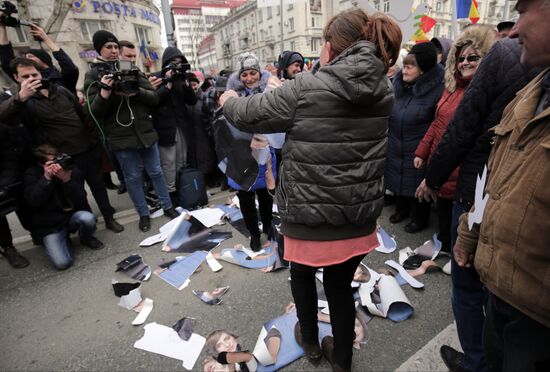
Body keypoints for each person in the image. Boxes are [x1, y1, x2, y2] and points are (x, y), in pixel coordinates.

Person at [220, 9, 402, 371]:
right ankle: (343, 359)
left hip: (309, 212)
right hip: (356, 214)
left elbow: (250, 113)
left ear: (331, 46)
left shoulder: (308, 86)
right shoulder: (384, 88)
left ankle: (313, 345)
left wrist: (227, 101)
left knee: (301, 274)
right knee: (339, 285)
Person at [415, 31, 540, 372]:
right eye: (462, 57)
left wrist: (433, 178)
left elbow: (462, 132)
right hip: (479, 192)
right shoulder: (458, 86)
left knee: (473, 287)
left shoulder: (504, 60)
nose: (516, 28)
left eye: (474, 57)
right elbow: (443, 127)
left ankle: (477, 363)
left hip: (479, 193)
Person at [454, 0, 550, 370]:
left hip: (538, 318)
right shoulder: (532, 92)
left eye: (525, 10)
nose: (514, 28)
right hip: (502, 293)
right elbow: (498, 178)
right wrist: (469, 231)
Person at [0, 57, 124, 234]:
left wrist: (94, 142)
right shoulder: (22, 102)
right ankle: (88, 230)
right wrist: (21, 97)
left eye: (34, 74)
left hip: (87, 150)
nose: (32, 79)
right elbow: (4, 117)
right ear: (16, 78)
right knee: (77, 194)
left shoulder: (62, 92)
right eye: (25, 76)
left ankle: (109, 217)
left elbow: (83, 116)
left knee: (98, 187)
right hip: (64, 158)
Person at [84, 31, 179, 232]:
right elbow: (94, 111)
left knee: (156, 172)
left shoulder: (131, 68)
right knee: (133, 178)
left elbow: (153, 98)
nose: (113, 51)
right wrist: (105, 92)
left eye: (115, 47)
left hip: (145, 132)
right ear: (99, 49)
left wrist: (136, 92)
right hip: (121, 138)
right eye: (108, 47)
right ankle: (144, 214)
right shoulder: (93, 74)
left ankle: (168, 207)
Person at [414, 26, 495, 253]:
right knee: (444, 213)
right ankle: (446, 246)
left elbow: (466, 140)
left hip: (460, 171)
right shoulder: (451, 89)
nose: (465, 63)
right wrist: (422, 151)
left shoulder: (482, 95)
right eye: (461, 58)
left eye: (473, 58)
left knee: (459, 221)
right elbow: (437, 123)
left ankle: (454, 252)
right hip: (442, 165)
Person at [385, 42, 445, 233]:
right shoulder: (398, 85)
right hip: (397, 140)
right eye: (405, 65)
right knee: (398, 175)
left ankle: (419, 218)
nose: (404, 70)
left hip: (419, 144)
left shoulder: (437, 89)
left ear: (423, 70)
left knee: (417, 180)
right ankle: (401, 209)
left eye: (410, 66)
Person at [224, 52, 276, 251]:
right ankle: (254, 233)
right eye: (244, 75)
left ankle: (268, 225)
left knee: (265, 194)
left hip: (263, 152)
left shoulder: (269, 92)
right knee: (245, 198)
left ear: (259, 73)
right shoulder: (231, 96)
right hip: (240, 155)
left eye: (253, 73)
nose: (249, 78)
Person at [24, 144, 104, 270]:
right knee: (63, 263)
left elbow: (81, 199)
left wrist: (67, 180)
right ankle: (62, 240)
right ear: (41, 164)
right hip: (51, 225)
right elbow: (34, 202)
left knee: (88, 218)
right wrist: (46, 179)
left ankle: (86, 238)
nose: (58, 164)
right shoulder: (32, 174)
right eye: (52, 162)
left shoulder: (69, 168)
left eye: (57, 159)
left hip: (71, 216)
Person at [149, 47, 197, 206]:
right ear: (165, 64)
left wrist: (186, 84)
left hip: (182, 127)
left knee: (182, 160)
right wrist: (167, 83)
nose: (177, 66)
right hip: (165, 128)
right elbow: (153, 101)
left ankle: (183, 187)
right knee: (168, 163)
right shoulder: (156, 78)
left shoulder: (182, 79)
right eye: (173, 63)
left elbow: (192, 101)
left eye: (179, 63)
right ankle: (170, 194)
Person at [0, 22, 79, 95]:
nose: (27, 59)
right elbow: (7, 62)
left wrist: (45, 38)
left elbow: (70, 68)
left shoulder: (61, 78)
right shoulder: (28, 80)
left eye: (30, 56)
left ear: (44, 59)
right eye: (25, 57)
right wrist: (2, 27)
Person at [0, 121, 30, 269]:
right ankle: (8, 247)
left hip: (7, 179)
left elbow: (11, 155)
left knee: (23, 205)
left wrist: (5, 182)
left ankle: (38, 233)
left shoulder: (3, 129)